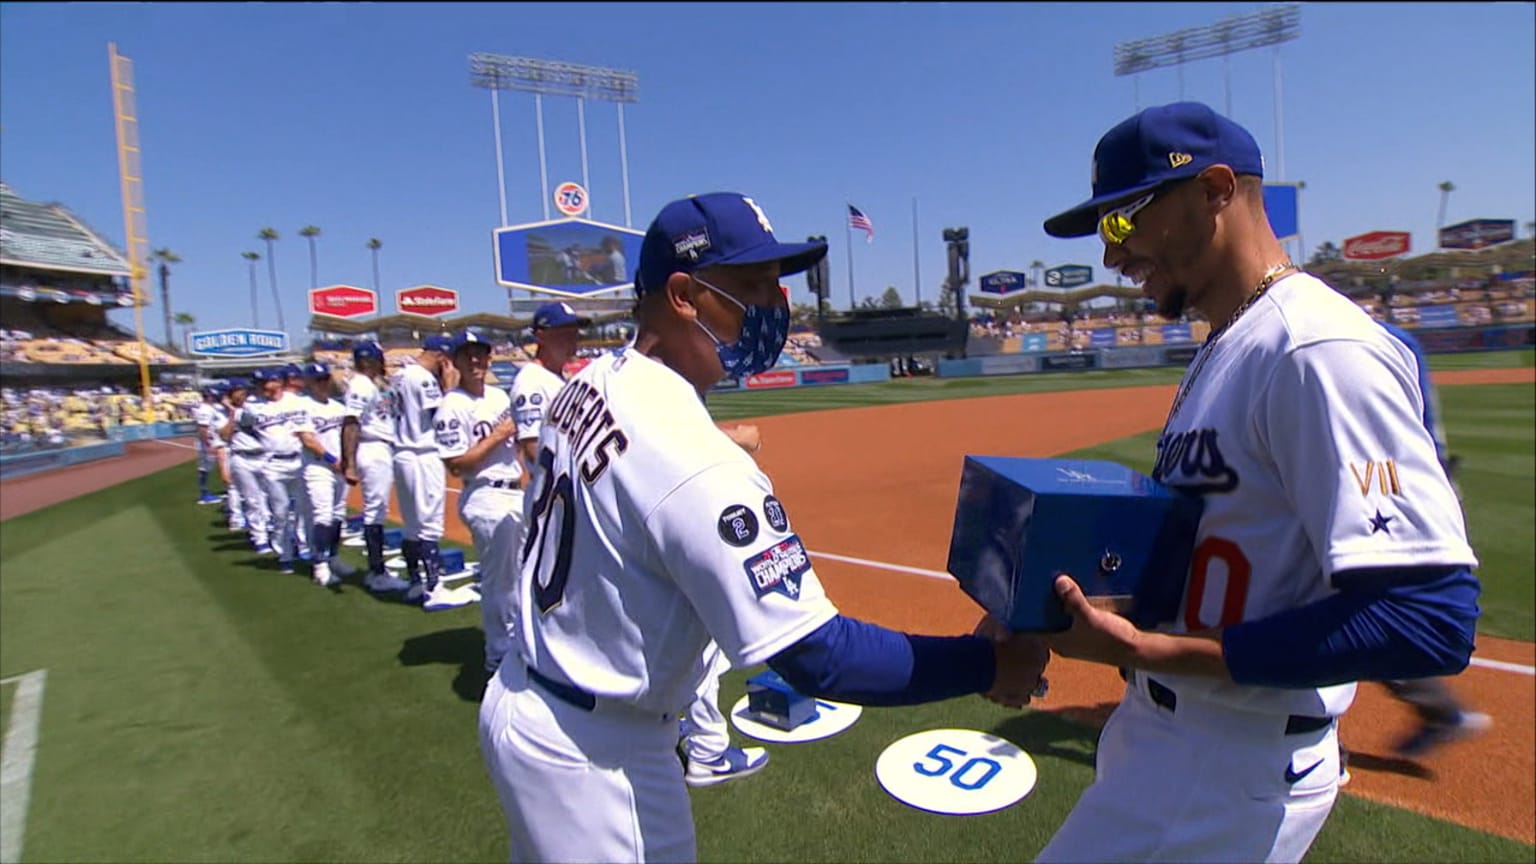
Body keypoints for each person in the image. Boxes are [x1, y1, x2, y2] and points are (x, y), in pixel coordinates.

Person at [477, 191, 1050, 863]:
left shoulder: (591, 380)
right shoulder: (700, 465)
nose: (777, 308)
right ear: (685, 294)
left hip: (526, 699)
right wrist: (990, 663)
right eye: (752, 287)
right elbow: (818, 655)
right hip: (598, 759)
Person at [1025, 101, 1481, 863]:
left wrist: (1156, 652)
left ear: (1214, 191)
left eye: (1123, 222)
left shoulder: (1317, 348)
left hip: (1224, 767)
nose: (1114, 256)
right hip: (1177, 747)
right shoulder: (1232, 340)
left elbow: (1429, 618)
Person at [488, 301, 590, 675]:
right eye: (564, 330)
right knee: (551, 590)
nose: (574, 337)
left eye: (575, 329)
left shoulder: (557, 379)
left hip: (566, 499)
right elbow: (534, 449)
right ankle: (531, 662)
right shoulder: (531, 382)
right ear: (541, 336)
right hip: (553, 503)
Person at [435, 328, 520, 621]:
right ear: (455, 361)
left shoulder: (499, 396)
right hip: (484, 495)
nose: (475, 361)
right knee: (500, 582)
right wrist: (497, 436)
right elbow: (456, 465)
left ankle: (514, 644)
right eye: (467, 355)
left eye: (480, 354)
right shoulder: (451, 406)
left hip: (513, 490)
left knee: (518, 576)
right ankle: (498, 652)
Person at [392, 334, 457, 608]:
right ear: (442, 356)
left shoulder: (399, 375)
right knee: (430, 523)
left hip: (401, 452)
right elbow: (439, 417)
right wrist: (450, 389)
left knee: (411, 525)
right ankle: (434, 587)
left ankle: (415, 582)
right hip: (422, 452)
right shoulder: (424, 378)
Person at [342, 341, 410, 595]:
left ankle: (377, 569)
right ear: (369, 361)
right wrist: (348, 462)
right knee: (375, 511)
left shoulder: (373, 384)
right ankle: (377, 572)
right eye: (378, 359)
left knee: (378, 508)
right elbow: (351, 423)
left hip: (383, 446)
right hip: (372, 446)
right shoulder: (360, 385)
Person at [293, 361, 356, 588]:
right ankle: (319, 564)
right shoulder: (303, 406)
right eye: (317, 380)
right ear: (308, 382)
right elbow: (307, 439)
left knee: (338, 514)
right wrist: (332, 460)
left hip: (339, 467)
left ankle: (333, 557)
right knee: (322, 515)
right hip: (318, 466)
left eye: (325, 379)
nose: (322, 384)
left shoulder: (338, 407)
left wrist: (348, 463)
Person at [218, 375, 273, 556]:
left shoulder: (257, 405)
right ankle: (260, 538)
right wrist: (233, 414)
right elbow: (225, 436)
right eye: (238, 391)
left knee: (270, 498)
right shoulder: (220, 414)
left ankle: (272, 531)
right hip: (242, 459)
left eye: (244, 390)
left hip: (264, 456)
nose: (242, 394)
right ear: (230, 394)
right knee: (252, 500)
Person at [192, 386, 225, 505]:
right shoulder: (205, 409)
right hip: (208, 443)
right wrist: (208, 444)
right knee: (205, 468)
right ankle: (204, 494)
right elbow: (203, 428)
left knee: (222, 465)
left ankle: (227, 489)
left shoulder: (209, 408)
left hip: (212, 441)